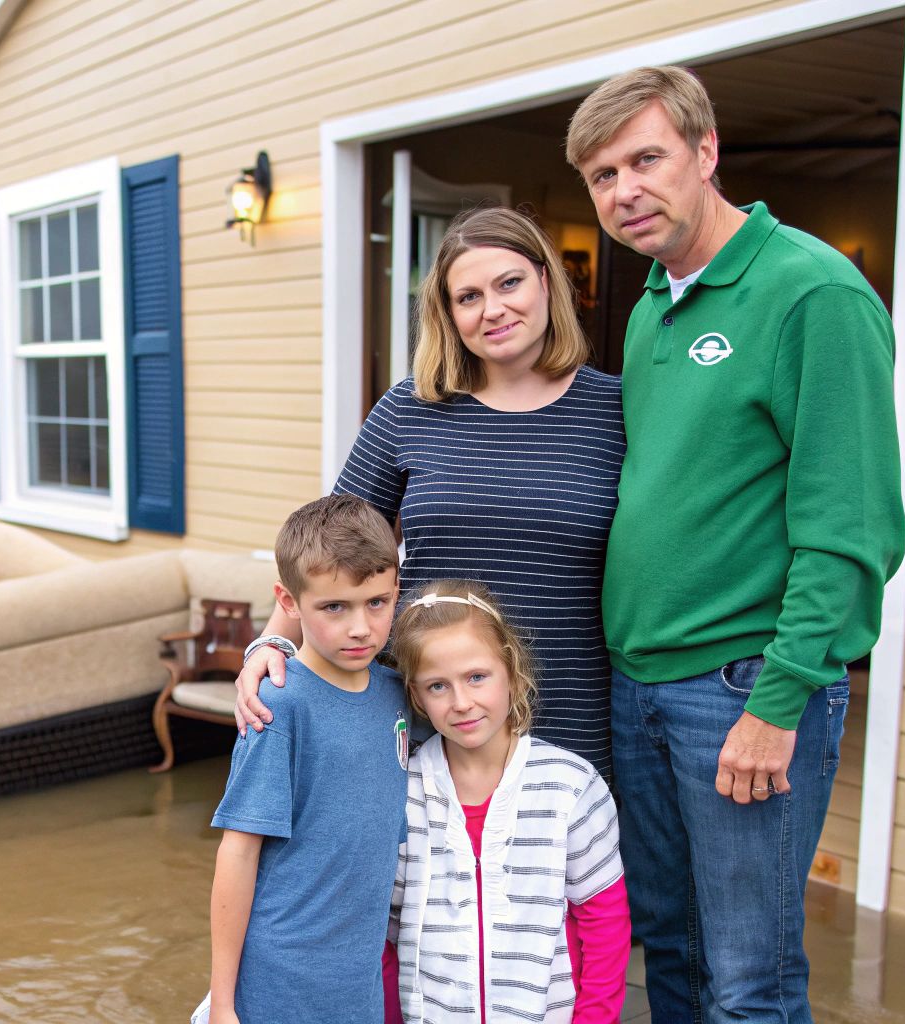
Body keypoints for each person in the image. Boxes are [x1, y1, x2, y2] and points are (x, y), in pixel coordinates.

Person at [565, 66, 905, 1020]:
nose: (624, 189)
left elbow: (854, 528)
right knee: (666, 950)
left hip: (742, 687)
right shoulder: (648, 308)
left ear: (706, 152)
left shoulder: (811, 293)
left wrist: (781, 696)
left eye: (645, 158)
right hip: (639, 688)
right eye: (601, 174)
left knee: (749, 976)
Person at [235, 207, 625, 781]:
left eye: (509, 283)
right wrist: (270, 645)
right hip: (425, 715)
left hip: (569, 711)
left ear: (547, 281)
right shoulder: (409, 410)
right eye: (467, 297)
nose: (492, 309)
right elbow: (333, 553)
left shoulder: (615, 411)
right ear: (447, 314)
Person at [202, 494, 410, 1024]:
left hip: (358, 985)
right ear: (288, 602)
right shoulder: (279, 703)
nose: (360, 627)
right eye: (334, 607)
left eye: (376, 603)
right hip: (279, 980)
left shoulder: (398, 695)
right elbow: (239, 851)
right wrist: (223, 1004)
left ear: (396, 591)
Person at [386, 579, 629, 1024]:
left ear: (512, 672)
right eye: (437, 686)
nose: (462, 702)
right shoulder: (400, 792)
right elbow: (386, 931)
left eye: (477, 677)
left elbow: (604, 922)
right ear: (416, 696)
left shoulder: (572, 787)